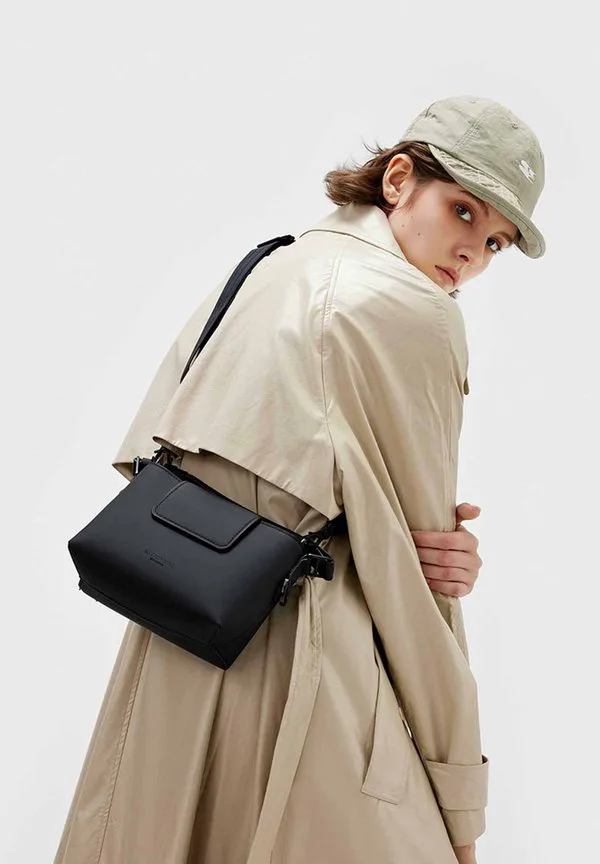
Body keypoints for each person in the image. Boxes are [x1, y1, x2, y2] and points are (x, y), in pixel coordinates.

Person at [54, 95, 546, 864]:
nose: (472, 255)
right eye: (462, 212)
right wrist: (459, 796)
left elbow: (150, 445)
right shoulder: (420, 312)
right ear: (398, 179)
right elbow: (418, 592)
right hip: (306, 662)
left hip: (174, 637)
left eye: (495, 242)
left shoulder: (267, 264)